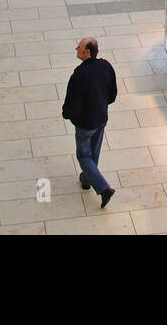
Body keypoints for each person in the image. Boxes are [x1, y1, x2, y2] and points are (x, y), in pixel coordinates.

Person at [62, 37, 118, 209]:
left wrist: (69, 115)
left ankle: (103, 188)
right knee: (94, 152)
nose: (76, 49)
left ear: (87, 52)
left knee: (84, 155)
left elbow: (72, 103)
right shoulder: (106, 66)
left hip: (85, 123)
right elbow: (112, 93)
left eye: (78, 47)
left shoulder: (79, 74)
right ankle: (87, 180)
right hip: (101, 118)